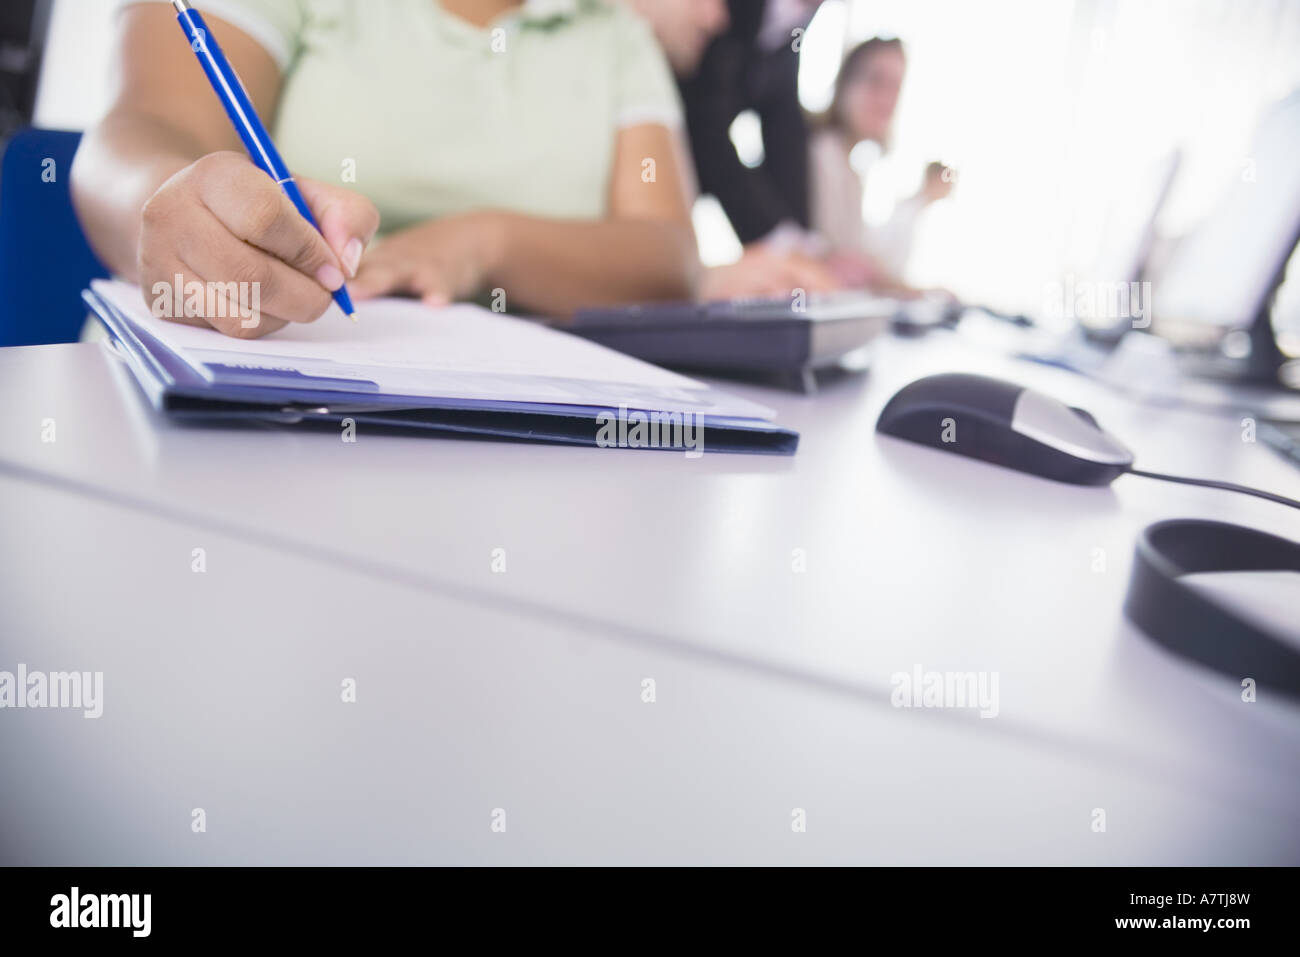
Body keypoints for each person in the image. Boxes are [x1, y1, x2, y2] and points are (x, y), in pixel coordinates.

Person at [72, 0, 700, 338]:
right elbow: (134, 138)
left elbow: (669, 257)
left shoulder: (612, 29)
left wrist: (481, 244)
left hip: (513, 449)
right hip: (242, 408)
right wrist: (171, 209)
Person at [630, 0, 837, 298]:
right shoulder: (642, 78)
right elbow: (708, 121)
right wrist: (774, 242)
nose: (718, 18)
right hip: (683, 149)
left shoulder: (799, 22)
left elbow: (784, 126)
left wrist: (798, 245)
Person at [808, 36, 954, 290]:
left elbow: (867, 260)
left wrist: (921, 199)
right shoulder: (821, 154)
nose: (886, 100)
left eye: (895, 87)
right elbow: (845, 270)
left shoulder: (851, 170)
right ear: (846, 84)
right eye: (876, 81)